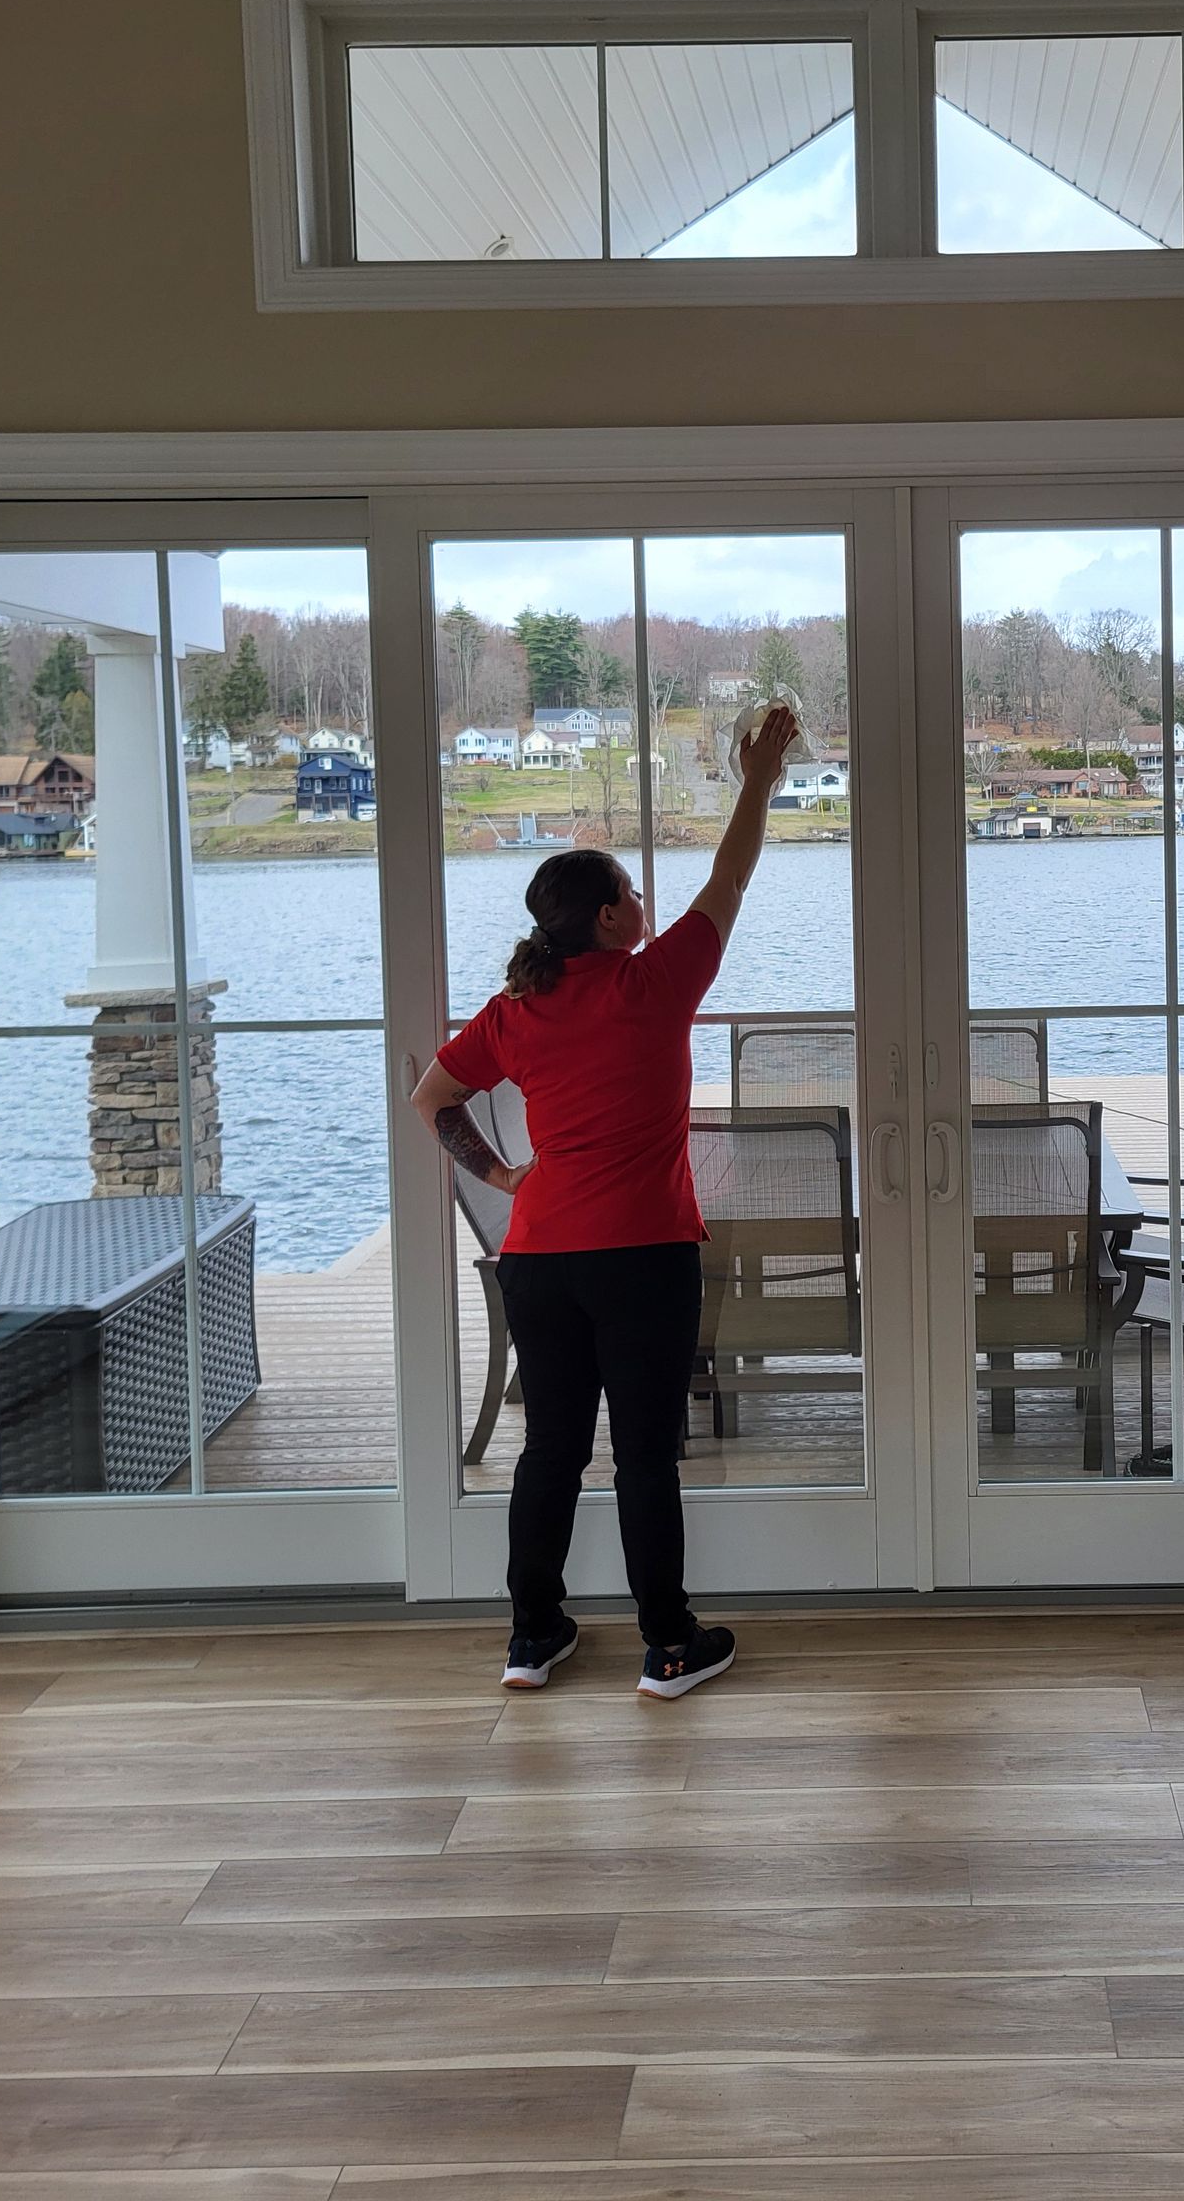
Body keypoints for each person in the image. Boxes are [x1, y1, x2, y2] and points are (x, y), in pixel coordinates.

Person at [411, 703, 801, 1697]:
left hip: (538, 1261)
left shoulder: (515, 1010)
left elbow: (434, 1097)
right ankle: (668, 1646)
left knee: (550, 1450)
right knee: (642, 1460)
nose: (642, 900)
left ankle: (532, 1638)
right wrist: (755, 779)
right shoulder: (655, 982)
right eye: (630, 890)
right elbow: (733, 878)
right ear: (609, 918)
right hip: (643, 1257)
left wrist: (502, 1177)